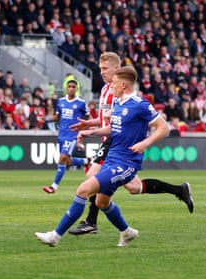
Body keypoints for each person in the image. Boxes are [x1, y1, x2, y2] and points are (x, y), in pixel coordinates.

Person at [35, 66, 189, 248]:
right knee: (101, 201)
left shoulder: (140, 104)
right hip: (111, 160)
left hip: (126, 164)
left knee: (83, 189)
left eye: (114, 83)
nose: (111, 86)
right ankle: (127, 232)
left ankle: (55, 236)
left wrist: (145, 143)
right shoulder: (118, 103)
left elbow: (163, 127)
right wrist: (90, 131)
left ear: (123, 85)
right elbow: (113, 129)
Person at [67, 52, 194, 236]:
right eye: (100, 69)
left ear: (117, 69)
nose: (101, 72)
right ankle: (179, 190)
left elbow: (124, 119)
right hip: (108, 139)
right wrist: (90, 124)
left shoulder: (122, 92)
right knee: (134, 188)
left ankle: (90, 221)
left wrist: (143, 141)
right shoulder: (105, 90)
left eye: (105, 69)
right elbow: (106, 119)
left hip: (116, 142)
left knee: (92, 175)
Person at [42, 79, 90, 194]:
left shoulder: (81, 103)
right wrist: (46, 119)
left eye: (73, 86)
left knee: (62, 158)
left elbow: (89, 118)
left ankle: (53, 187)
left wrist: (91, 128)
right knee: (67, 161)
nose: (71, 88)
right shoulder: (61, 102)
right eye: (69, 86)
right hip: (61, 135)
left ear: (77, 89)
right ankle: (87, 161)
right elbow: (57, 117)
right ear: (66, 88)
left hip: (72, 135)